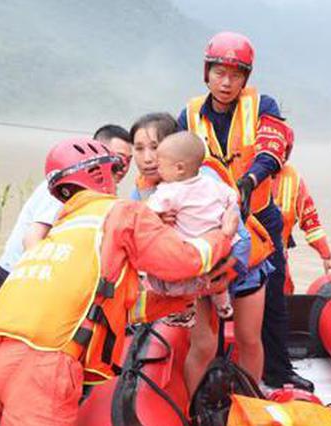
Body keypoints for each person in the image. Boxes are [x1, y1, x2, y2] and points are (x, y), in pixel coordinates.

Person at [0, 137, 240, 425]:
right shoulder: (122, 212)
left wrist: (182, 299)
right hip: (42, 370)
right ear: (102, 175)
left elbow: (110, 305)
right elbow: (186, 261)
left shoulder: (65, 228)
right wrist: (222, 235)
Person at [178, 31, 313, 391]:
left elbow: (273, 146)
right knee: (209, 294)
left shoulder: (262, 105)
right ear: (206, 73)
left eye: (236, 74)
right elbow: (175, 162)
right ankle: (215, 366)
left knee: (272, 300)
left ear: (245, 79)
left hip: (259, 217)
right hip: (210, 222)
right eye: (219, 72)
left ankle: (278, 372)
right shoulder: (189, 115)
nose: (226, 82)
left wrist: (250, 180)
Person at [130, 112, 273, 389]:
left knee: (249, 338)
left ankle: (250, 401)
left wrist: (220, 275)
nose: (147, 158)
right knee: (204, 344)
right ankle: (194, 413)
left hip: (241, 266)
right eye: (138, 148)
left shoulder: (203, 178)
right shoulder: (143, 191)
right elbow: (140, 238)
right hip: (196, 271)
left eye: (155, 148)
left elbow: (238, 236)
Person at [0, 125, 131, 298]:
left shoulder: (99, 192)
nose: (122, 167)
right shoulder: (67, 186)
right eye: (118, 158)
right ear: (96, 152)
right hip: (17, 277)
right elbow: (32, 239)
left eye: (128, 161)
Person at [146, 131, 240, 321]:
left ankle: (182, 312)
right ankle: (224, 306)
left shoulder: (169, 191)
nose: (158, 169)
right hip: (219, 249)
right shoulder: (213, 184)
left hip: (191, 251)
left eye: (161, 165)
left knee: (164, 278)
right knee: (216, 283)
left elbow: (146, 212)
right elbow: (233, 197)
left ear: (179, 168)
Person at [272, 162, 331, 294]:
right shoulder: (243, 168)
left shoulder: (293, 179)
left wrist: (326, 256)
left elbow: (310, 220)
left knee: (283, 295)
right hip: (246, 262)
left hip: (278, 260)